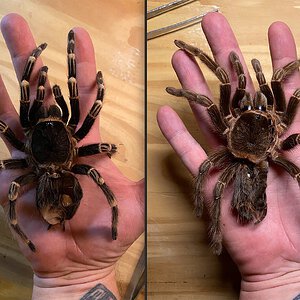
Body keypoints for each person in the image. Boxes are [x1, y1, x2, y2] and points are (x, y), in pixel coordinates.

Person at [0, 13, 144, 300]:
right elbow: (90, 110)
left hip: (43, 186)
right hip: (62, 189)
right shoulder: (75, 140)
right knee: (94, 171)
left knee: (16, 187)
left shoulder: (27, 134)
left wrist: (34, 67)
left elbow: (24, 100)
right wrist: (98, 91)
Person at [157, 12, 300, 299]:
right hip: (253, 163)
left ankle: (215, 229)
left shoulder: (226, 133)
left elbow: (212, 97)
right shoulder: (280, 130)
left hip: (236, 166)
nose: (257, 106)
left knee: (222, 89)